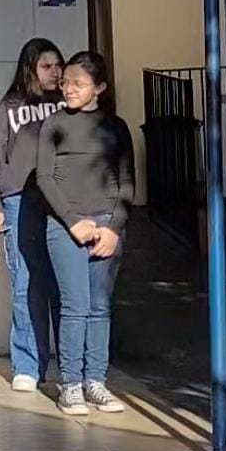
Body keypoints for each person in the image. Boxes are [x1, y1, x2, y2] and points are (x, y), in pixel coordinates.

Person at [36, 51, 133, 417]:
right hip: (66, 228)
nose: (69, 89)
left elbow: (127, 182)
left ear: (100, 87)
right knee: (74, 306)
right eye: (65, 82)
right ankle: (71, 383)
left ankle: (96, 380)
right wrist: (72, 221)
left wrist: (113, 228)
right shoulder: (54, 123)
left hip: (106, 224)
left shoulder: (116, 127)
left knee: (99, 306)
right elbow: (45, 178)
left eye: (78, 83)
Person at [0, 38, 65, 392]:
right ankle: (28, 366)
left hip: (62, 203)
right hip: (19, 200)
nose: (55, 72)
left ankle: (71, 368)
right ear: (30, 68)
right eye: (46, 66)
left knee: (64, 284)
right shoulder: (10, 105)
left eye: (58, 66)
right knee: (25, 282)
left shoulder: (68, 105)